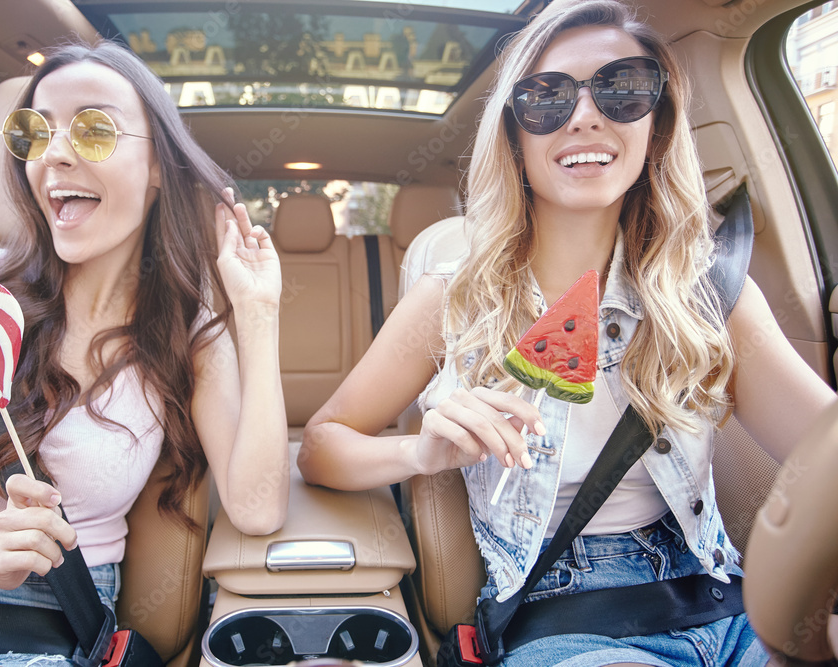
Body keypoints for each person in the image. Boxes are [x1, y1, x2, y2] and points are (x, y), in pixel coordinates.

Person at [299, 1, 836, 665]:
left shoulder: (709, 292)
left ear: (656, 125)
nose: (585, 115)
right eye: (546, 96)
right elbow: (321, 446)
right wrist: (423, 452)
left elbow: (827, 451)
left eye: (622, 89)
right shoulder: (456, 297)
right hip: (561, 611)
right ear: (516, 138)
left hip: (723, 595)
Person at [0, 39, 288, 667]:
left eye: (95, 130)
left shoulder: (189, 337)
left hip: (45, 629)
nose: (54, 154)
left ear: (158, 164)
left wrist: (258, 312)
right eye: (34, 131)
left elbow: (257, 505)